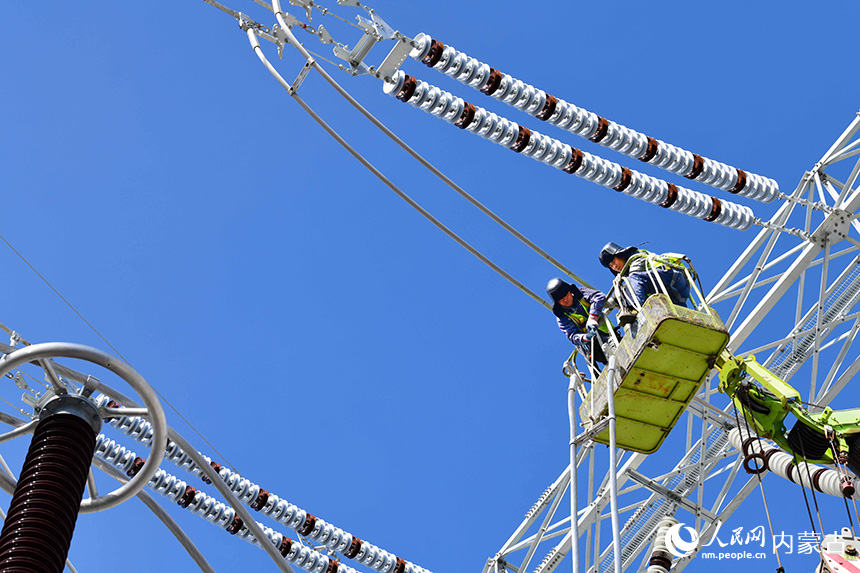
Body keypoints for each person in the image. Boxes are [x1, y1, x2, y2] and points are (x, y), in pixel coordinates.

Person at [598, 242, 691, 310]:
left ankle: (639, 311)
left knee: (633, 282)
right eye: (611, 266)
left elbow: (632, 280)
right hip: (673, 294)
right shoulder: (631, 275)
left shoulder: (636, 257)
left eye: (613, 261)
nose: (614, 266)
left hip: (672, 277)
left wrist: (616, 298)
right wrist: (603, 303)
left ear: (620, 255)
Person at [545, 278, 610, 366]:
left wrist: (593, 317)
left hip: (609, 333)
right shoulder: (562, 317)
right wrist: (585, 337)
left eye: (565, 295)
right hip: (595, 347)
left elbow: (599, 296)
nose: (565, 299)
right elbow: (572, 335)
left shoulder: (581, 294)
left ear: (569, 291)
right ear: (557, 302)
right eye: (560, 299)